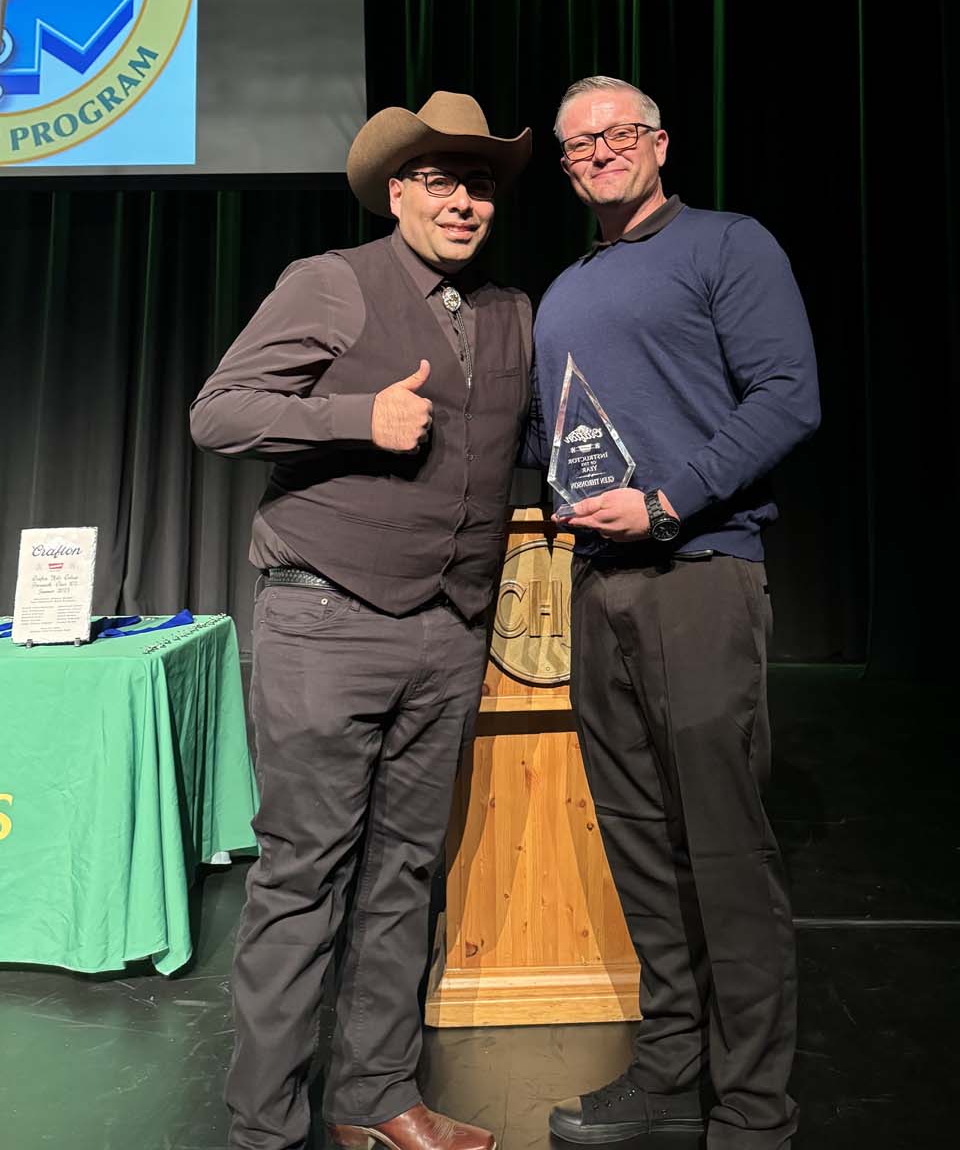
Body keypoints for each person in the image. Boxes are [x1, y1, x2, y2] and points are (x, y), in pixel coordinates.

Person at [191, 92, 533, 1150]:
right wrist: (356, 417)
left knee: (405, 876)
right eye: (441, 180)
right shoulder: (333, 282)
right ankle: (264, 1128)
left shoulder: (513, 311)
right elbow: (220, 412)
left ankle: (376, 1098)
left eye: (479, 183)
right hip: (327, 622)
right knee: (303, 876)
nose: (464, 201)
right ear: (398, 192)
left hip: (447, 631)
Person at [527, 76, 820, 1150]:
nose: (598, 152)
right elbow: (552, 439)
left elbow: (789, 393)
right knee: (642, 847)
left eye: (616, 133)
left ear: (658, 141)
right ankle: (670, 1070)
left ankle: (751, 1111)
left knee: (727, 854)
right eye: (578, 144)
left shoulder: (728, 245)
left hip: (699, 573)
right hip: (598, 587)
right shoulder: (563, 290)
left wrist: (664, 500)